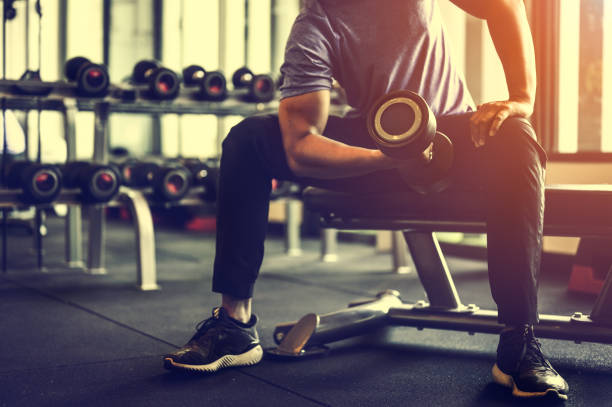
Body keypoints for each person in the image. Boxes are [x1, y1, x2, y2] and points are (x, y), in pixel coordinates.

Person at [164, 0, 569, 400]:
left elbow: (503, 6)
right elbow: (300, 142)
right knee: (248, 138)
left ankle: (519, 341)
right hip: (381, 149)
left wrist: (521, 98)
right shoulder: (317, 19)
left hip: (454, 140)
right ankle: (234, 325)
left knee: (516, 136)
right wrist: (387, 159)